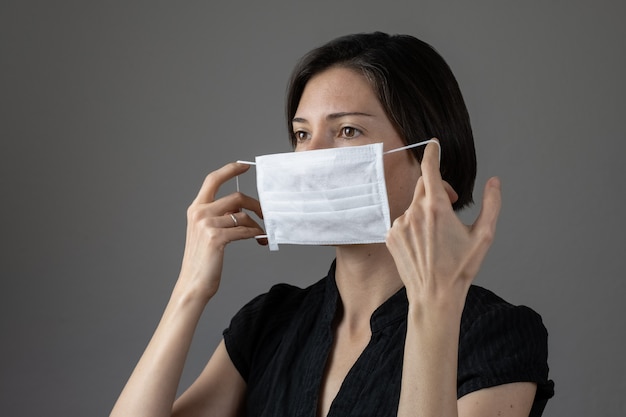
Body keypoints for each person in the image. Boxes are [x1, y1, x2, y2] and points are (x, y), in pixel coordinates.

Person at [110, 32, 554, 417]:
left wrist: (434, 310)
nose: (310, 158)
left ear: (430, 158)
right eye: (302, 134)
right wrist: (190, 289)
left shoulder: (495, 333)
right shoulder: (271, 320)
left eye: (346, 132)